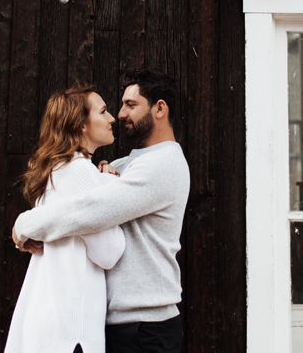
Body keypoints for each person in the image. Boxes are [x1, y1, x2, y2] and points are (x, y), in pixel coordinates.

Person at [13, 69, 190, 353]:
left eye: (131, 105)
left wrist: (25, 224)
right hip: (120, 323)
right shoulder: (126, 163)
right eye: (118, 105)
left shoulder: (164, 163)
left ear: (159, 109)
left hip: (144, 325)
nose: (119, 114)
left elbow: (92, 209)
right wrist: (106, 175)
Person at [6, 87, 126, 353]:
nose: (112, 118)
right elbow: (109, 252)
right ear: (81, 125)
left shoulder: (57, 169)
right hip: (69, 330)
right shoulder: (81, 171)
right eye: (103, 111)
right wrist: (109, 185)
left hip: (47, 322)